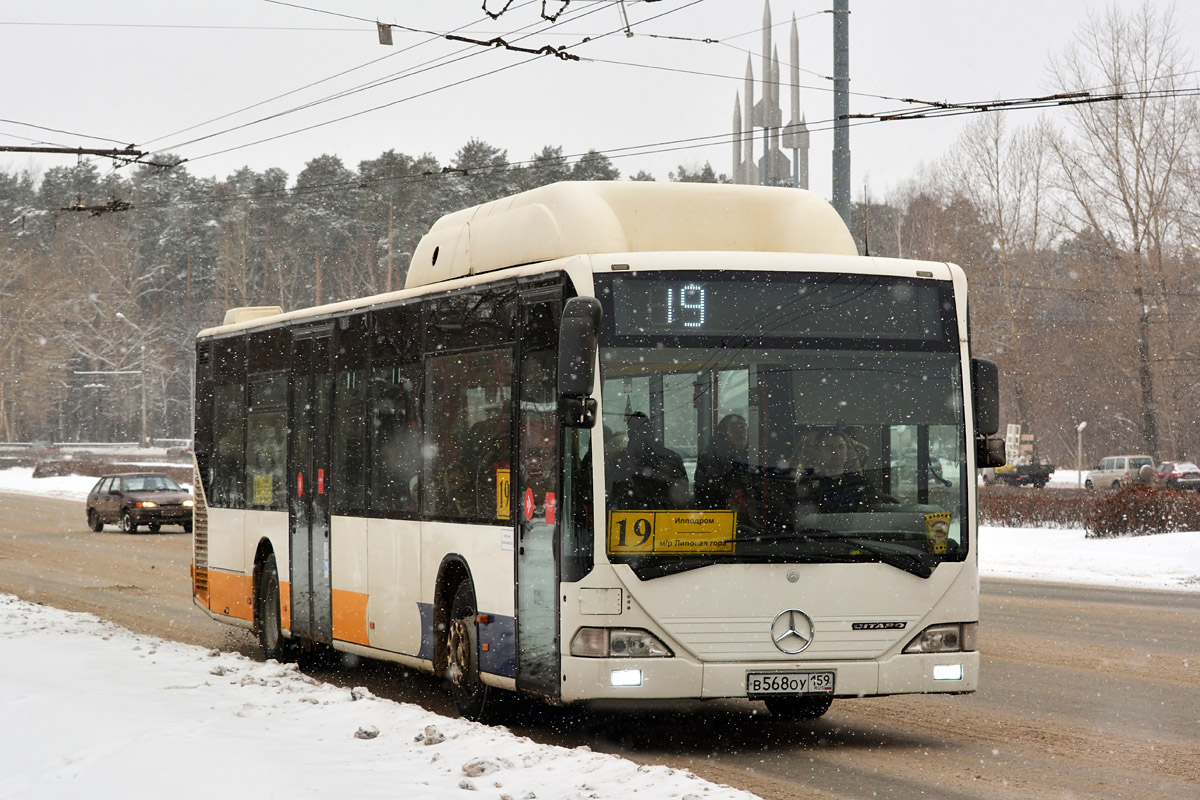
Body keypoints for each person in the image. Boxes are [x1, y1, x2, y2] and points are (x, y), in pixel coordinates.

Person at [796, 428, 891, 512]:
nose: (836, 452)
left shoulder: (860, 483)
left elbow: (873, 514)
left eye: (841, 447)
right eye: (829, 447)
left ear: (847, 451)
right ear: (818, 453)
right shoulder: (808, 485)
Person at [608, 412, 688, 509]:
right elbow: (683, 496)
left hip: (630, 516)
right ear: (651, 431)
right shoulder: (671, 458)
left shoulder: (620, 461)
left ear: (630, 433)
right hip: (667, 516)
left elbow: (613, 493)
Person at [694, 413, 750, 510]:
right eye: (733, 428)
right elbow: (712, 486)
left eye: (742, 427)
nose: (740, 432)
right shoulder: (712, 454)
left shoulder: (753, 455)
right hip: (718, 511)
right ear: (723, 433)